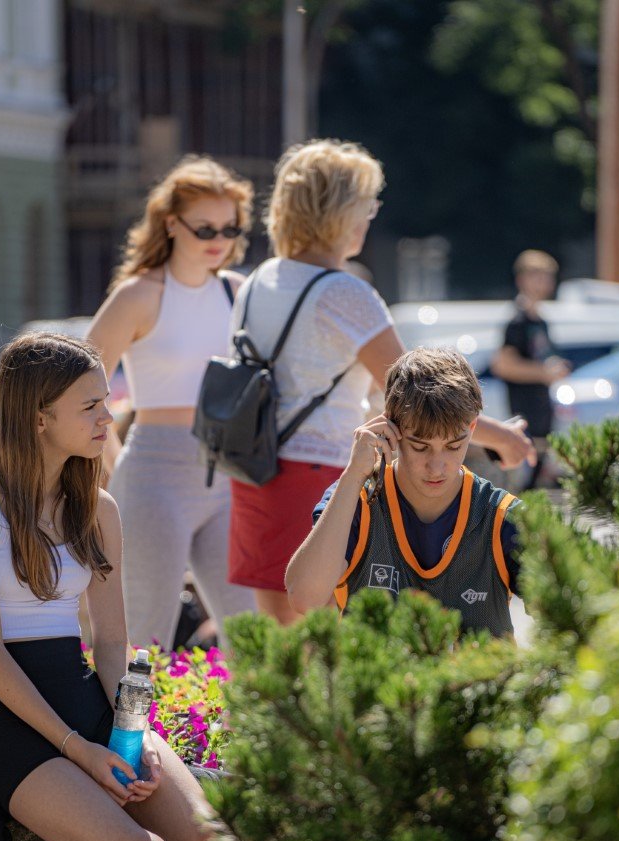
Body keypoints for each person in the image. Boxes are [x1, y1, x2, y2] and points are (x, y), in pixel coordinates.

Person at [0, 332, 245, 841]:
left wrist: (134, 737)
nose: (110, 416)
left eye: (106, 400)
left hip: (84, 702)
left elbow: (109, 645)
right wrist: (79, 750)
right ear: (38, 418)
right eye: (90, 405)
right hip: (2, 718)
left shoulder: (98, 508)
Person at [227, 139, 534, 627]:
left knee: (279, 650)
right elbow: (417, 393)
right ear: (341, 211)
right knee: (320, 649)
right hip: (322, 476)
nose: (370, 219)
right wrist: (503, 439)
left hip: (254, 476)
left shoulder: (260, 279)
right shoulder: (345, 291)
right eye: (367, 205)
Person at [87, 155, 256, 649]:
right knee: (144, 639)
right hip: (154, 473)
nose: (219, 240)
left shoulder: (239, 292)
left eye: (230, 227)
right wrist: (115, 467)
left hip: (226, 474)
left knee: (251, 635)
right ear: (170, 223)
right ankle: (128, 731)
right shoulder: (139, 295)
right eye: (205, 228)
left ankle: (243, 730)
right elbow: (74, 383)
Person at [285, 347, 521, 638]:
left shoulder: (502, 516)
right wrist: (352, 476)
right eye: (420, 446)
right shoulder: (356, 500)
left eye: (453, 446)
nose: (437, 467)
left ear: (472, 428)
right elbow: (304, 598)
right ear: (390, 428)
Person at [490, 249, 571, 489]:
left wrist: (555, 368)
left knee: (537, 482)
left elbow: (542, 358)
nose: (543, 281)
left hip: (543, 411)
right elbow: (503, 365)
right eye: (536, 275)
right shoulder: (517, 321)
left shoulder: (541, 321)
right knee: (522, 485)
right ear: (521, 279)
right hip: (523, 415)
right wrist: (543, 372)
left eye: (547, 276)